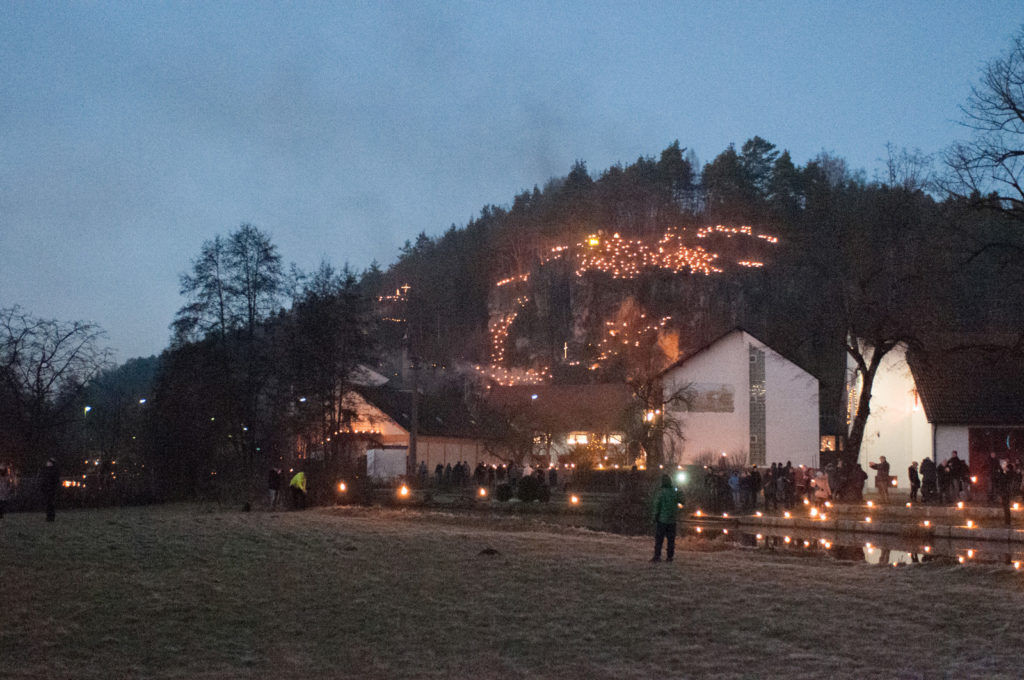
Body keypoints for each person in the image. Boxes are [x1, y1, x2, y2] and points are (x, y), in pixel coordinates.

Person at [651, 474, 682, 562]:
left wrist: (654, 517)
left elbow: (657, 505)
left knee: (659, 539)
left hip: (662, 520)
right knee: (671, 540)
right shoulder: (674, 492)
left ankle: (657, 556)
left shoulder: (661, 492)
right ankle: (669, 557)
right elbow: (682, 500)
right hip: (672, 520)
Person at [42, 457, 60, 522]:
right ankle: (48, 517)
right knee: (48, 504)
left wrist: (52, 487)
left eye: (49, 462)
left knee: (51, 504)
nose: (47, 463)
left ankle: (51, 518)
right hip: (47, 489)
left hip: (51, 489)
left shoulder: (53, 471)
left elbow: (55, 481)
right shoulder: (47, 470)